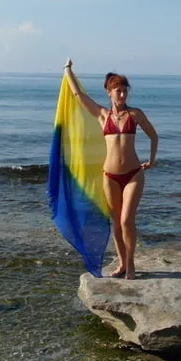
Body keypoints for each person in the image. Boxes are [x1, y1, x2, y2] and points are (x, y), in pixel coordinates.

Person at [63, 58, 158, 279]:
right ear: (109, 92)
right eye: (118, 91)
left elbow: (153, 136)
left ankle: (131, 263)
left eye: (125, 91)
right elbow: (79, 96)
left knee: (126, 220)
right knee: (116, 222)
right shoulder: (102, 115)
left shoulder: (135, 115)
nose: (123, 95)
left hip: (133, 174)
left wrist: (151, 160)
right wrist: (68, 71)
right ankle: (122, 263)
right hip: (110, 176)